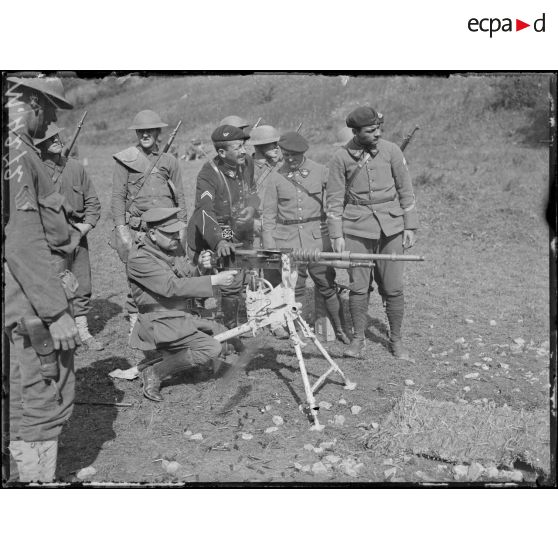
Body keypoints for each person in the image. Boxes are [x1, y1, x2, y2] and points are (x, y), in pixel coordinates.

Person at [4, 76, 81, 482]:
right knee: (41, 403)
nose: (51, 118)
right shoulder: (17, 155)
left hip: (21, 300)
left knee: (18, 400)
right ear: (31, 102)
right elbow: (23, 242)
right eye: (50, 108)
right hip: (31, 308)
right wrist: (56, 312)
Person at [326, 106, 419, 359]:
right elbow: (334, 199)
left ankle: (396, 340)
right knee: (358, 287)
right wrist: (337, 235)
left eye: (379, 129)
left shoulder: (392, 151)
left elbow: (406, 190)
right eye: (370, 131)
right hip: (355, 229)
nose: (377, 134)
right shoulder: (340, 158)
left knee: (393, 287)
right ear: (355, 131)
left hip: (392, 228)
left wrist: (409, 226)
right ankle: (358, 340)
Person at [127, 208, 237, 402]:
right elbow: (171, 287)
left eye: (176, 232)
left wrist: (201, 267)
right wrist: (213, 280)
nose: (176, 237)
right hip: (159, 321)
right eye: (169, 233)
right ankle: (155, 372)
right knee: (211, 349)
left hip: (182, 315)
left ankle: (177, 355)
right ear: (152, 234)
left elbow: (187, 277)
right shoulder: (139, 259)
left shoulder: (172, 247)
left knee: (226, 338)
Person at [262, 131, 350, 344]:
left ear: (303, 153)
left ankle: (339, 328)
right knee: (294, 288)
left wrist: (335, 228)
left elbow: (339, 198)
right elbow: (268, 217)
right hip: (288, 242)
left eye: (294, 155)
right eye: (285, 154)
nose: (289, 159)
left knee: (326, 284)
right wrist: (271, 249)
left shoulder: (321, 172)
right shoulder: (275, 177)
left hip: (317, 240)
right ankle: (296, 329)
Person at [110, 109, 187, 336]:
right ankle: (136, 318)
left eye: (149, 130)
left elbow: (180, 196)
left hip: (166, 230)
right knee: (137, 276)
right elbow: (117, 197)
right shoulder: (125, 160)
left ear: (157, 132)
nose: (145, 134)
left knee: (168, 272)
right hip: (139, 230)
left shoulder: (169, 161)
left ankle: (164, 317)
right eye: (140, 131)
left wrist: (182, 226)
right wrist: (121, 228)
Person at [187, 125, 259, 347]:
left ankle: (230, 333)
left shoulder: (246, 163)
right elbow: (204, 210)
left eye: (244, 146)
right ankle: (193, 332)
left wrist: (251, 208)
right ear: (221, 152)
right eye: (238, 147)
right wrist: (218, 240)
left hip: (238, 232)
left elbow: (252, 192)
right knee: (196, 286)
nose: (244, 151)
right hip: (210, 235)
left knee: (233, 284)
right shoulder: (208, 175)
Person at [34, 123, 103, 350]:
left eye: (57, 135)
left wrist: (86, 226)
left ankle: (83, 331)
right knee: (55, 286)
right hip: (51, 239)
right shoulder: (36, 172)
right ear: (38, 145)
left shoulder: (75, 167)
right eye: (48, 138)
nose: (56, 139)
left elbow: (92, 201)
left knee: (82, 284)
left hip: (78, 235)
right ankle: (58, 333)